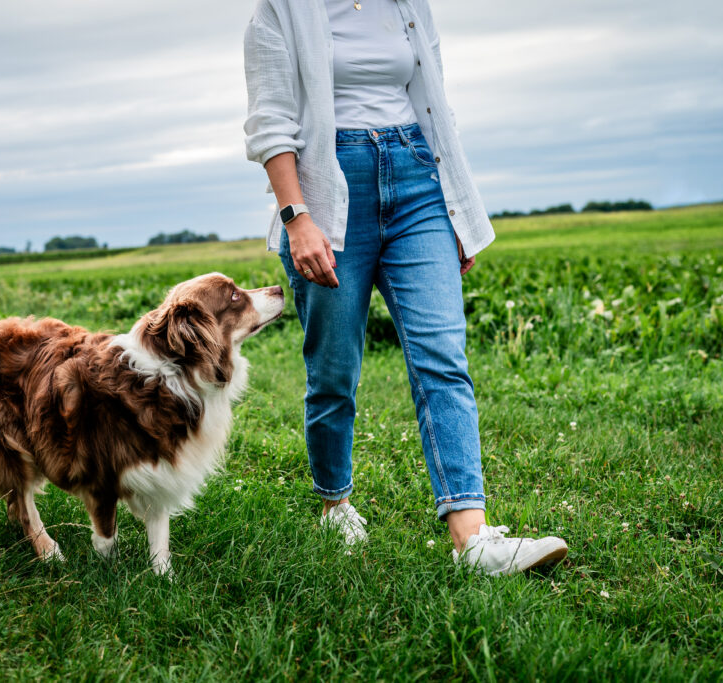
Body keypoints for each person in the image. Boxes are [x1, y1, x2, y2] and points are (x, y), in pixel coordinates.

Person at [243, 0, 567, 575]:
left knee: (443, 358)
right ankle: (335, 503)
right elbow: (270, 123)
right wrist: (297, 218)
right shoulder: (282, 9)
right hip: (329, 188)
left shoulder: (409, 5)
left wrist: (460, 213)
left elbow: (439, 109)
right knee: (334, 371)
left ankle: (472, 539)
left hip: (418, 177)